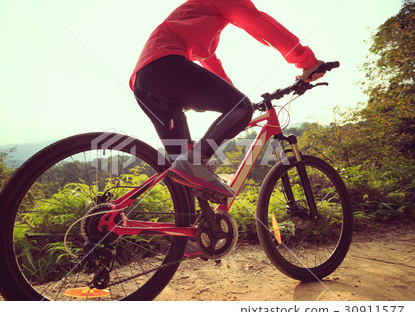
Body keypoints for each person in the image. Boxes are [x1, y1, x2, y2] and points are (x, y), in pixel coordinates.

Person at [131, 0, 325, 200]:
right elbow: (259, 24)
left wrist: (236, 100)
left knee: (185, 176)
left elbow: (210, 60)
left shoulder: (196, 17)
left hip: (144, 83)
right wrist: (306, 61)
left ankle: (194, 225)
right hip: (165, 65)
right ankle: (196, 160)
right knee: (236, 110)